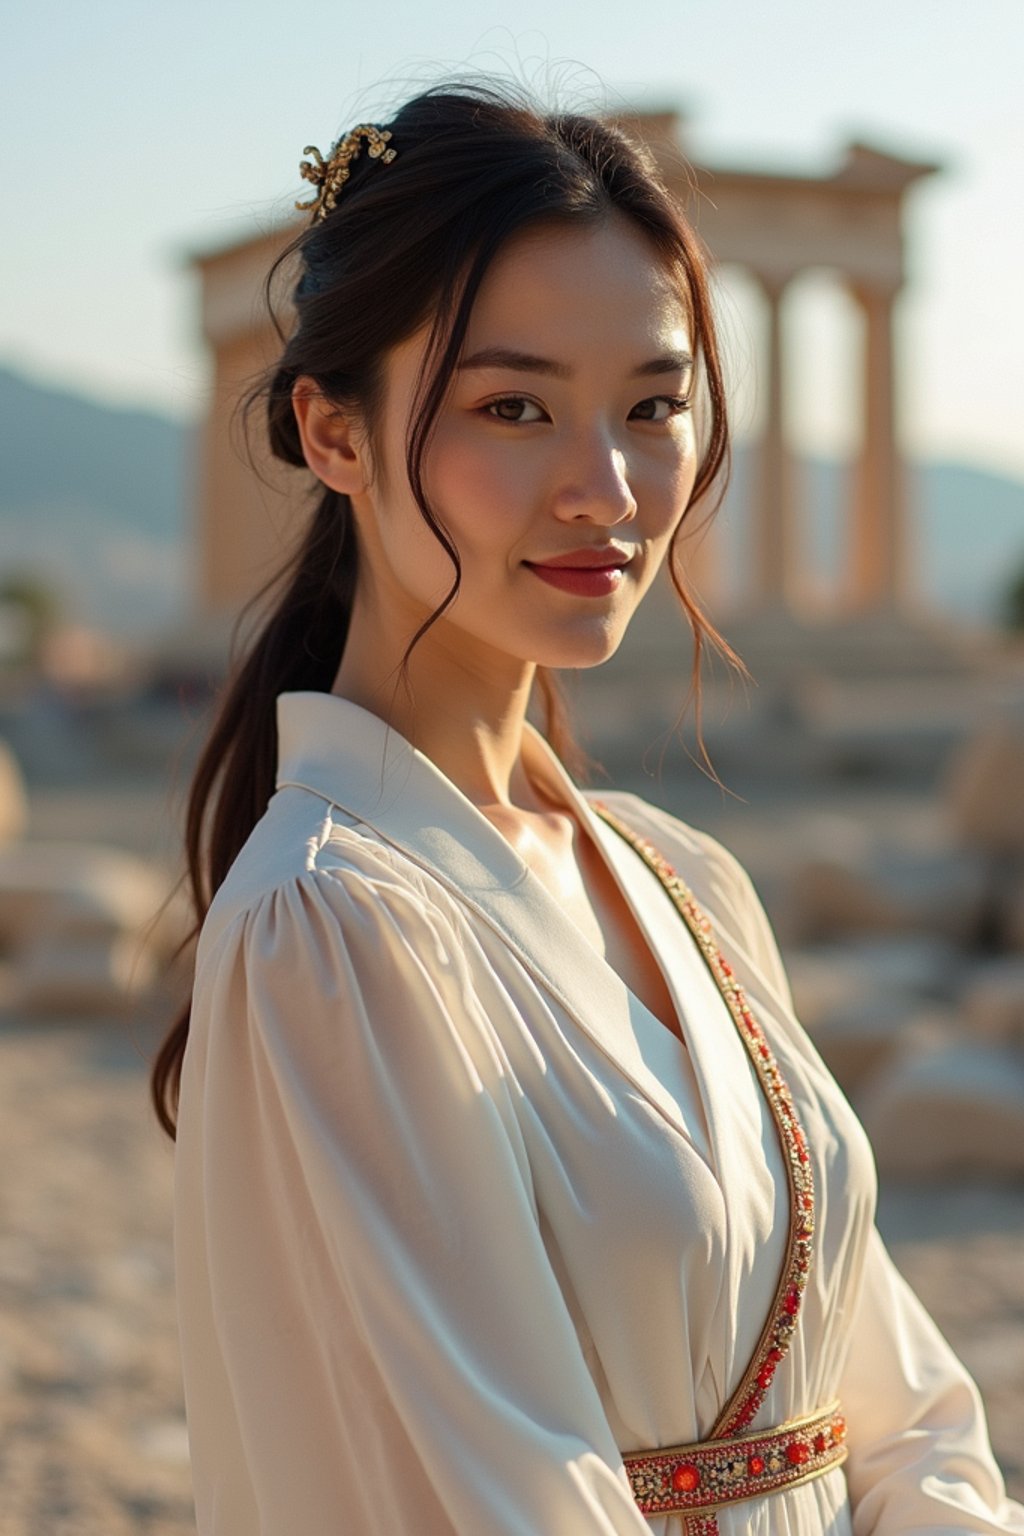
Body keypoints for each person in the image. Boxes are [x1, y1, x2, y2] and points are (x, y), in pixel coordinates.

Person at [153, 82, 1024, 1535]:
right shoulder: (335, 929)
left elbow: (902, 1405)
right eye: (514, 407)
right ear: (336, 435)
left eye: (653, 406)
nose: (606, 488)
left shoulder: (690, 879)